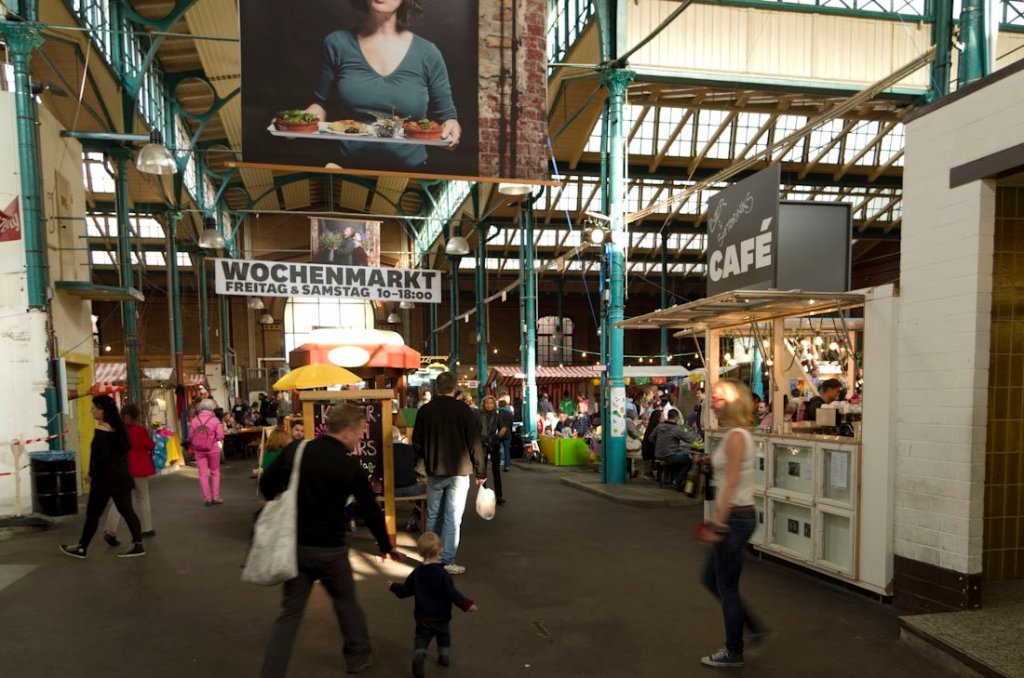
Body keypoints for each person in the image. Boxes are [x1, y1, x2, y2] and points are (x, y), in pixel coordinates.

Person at [259, 404, 402, 677]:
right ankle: (358, 657)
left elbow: (267, 485)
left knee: (289, 615)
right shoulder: (349, 466)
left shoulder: (297, 450)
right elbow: (371, 510)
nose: (361, 437)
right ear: (347, 432)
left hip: (295, 547)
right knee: (346, 604)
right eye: (360, 432)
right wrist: (386, 546)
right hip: (331, 550)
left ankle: (271, 671)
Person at [304, 0, 461, 172]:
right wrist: (297, 121)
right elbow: (321, 104)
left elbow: (447, 117)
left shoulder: (428, 53)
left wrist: (451, 127)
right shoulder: (337, 43)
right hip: (345, 168)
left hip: (409, 175)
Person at [697, 378, 766, 668]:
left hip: (735, 517)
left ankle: (733, 650)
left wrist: (718, 522)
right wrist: (710, 461)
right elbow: (729, 469)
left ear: (734, 403)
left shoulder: (737, 436)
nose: (713, 402)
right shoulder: (733, 434)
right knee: (712, 579)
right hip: (737, 515)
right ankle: (754, 628)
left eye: (719, 398)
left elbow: (732, 482)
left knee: (725, 586)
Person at [412, 371, 487, 575]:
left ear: (436, 388)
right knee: (452, 518)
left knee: (433, 515)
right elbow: (474, 443)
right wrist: (480, 471)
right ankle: (447, 561)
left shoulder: (425, 411)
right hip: (459, 472)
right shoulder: (463, 410)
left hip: (434, 471)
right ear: (455, 388)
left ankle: (429, 558)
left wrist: (421, 463)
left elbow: (416, 441)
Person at [61, 395, 145, 559]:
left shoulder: (102, 430)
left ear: (102, 410)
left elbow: (98, 456)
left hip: (105, 479)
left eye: (94, 408)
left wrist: (91, 474)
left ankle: (82, 547)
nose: (91, 410)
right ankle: (138, 544)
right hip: (122, 476)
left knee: (93, 513)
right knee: (127, 511)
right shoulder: (119, 429)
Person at [388, 532, 478, 678]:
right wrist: (467, 605)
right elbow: (453, 594)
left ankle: (419, 654)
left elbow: (405, 590)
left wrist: (393, 586)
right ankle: (443, 657)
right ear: (440, 551)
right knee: (444, 637)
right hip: (441, 617)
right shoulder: (443, 575)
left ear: (420, 552)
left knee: (421, 638)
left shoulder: (417, 572)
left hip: (422, 617)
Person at [101, 403, 157, 544]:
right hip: (139, 469)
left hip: (122, 469)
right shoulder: (140, 430)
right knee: (143, 497)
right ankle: (147, 528)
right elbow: (151, 445)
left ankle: (110, 531)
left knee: (118, 502)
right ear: (135, 417)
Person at [189, 398, 226, 506]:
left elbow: (190, 436)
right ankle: (216, 497)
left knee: (203, 474)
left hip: (199, 450)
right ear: (212, 408)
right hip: (213, 449)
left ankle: (207, 499)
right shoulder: (215, 420)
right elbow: (220, 436)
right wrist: (212, 440)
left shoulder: (195, 420)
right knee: (215, 472)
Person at [651, 409, 698, 490]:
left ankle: (676, 480)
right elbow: (690, 439)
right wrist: (695, 431)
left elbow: (651, 437)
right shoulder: (676, 428)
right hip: (669, 455)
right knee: (689, 459)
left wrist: (658, 445)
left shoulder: (659, 426)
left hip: (658, 454)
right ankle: (677, 481)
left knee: (680, 457)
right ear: (676, 417)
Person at [476, 396, 505, 505]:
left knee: (496, 470)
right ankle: (482, 496)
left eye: (491, 403)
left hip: (494, 443)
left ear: (494, 405)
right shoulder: (479, 415)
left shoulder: (497, 416)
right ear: (483, 404)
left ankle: (499, 496)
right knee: (481, 471)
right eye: (487, 403)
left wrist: (500, 433)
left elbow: (503, 427)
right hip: (482, 444)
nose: (489, 405)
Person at [640, 410, 663, 478]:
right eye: (662, 416)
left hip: (648, 451)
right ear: (658, 417)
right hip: (650, 452)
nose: (664, 417)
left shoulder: (652, 426)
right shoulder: (657, 427)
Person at [496, 396, 513, 472]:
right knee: (507, 450)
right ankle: (507, 466)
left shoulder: (497, 414)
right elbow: (511, 424)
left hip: (499, 434)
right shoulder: (509, 414)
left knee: (497, 450)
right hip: (508, 433)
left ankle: (497, 463)